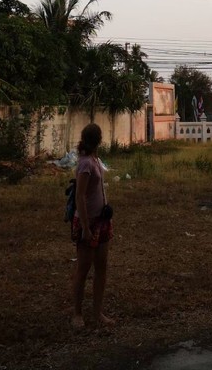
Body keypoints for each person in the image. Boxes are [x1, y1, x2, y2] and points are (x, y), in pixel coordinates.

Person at [71, 123, 114, 329]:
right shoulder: (86, 164)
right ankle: (77, 314)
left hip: (102, 221)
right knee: (83, 268)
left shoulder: (95, 160)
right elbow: (79, 196)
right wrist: (86, 228)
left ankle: (98, 312)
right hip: (88, 222)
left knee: (101, 267)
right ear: (98, 139)